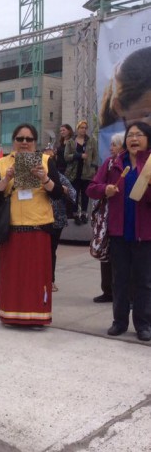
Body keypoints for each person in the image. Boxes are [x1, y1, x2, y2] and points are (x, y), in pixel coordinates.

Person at [0, 123, 63, 327]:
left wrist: (44, 178)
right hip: (12, 229)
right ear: (13, 141)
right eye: (20, 139)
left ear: (34, 142)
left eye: (28, 139)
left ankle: (38, 316)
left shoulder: (46, 161)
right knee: (13, 278)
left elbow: (57, 194)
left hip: (39, 227)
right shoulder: (2, 164)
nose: (24, 143)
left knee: (37, 278)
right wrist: (6, 178)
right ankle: (11, 315)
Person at [86, 122, 151, 342]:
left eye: (139, 134)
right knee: (120, 280)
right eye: (130, 135)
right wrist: (106, 189)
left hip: (146, 234)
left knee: (144, 281)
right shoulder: (113, 163)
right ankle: (119, 322)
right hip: (118, 233)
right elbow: (91, 188)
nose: (134, 138)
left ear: (147, 139)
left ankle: (143, 324)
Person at [92, 133, 125, 304]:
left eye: (115, 144)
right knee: (106, 255)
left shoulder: (139, 164)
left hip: (132, 220)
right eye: (111, 144)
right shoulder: (109, 164)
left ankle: (131, 296)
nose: (111, 147)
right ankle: (108, 291)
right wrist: (106, 189)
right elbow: (92, 188)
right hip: (109, 218)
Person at [43, 147, 76, 292]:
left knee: (50, 250)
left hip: (56, 220)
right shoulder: (35, 176)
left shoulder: (60, 177)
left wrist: (64, 190)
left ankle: (50, 280)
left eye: (51, 158)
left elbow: (73, 195)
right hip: (39, 219)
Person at [65, 120, 99, 225]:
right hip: (74, 173)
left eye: (85, 128)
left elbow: (95, 156)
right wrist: (78, 156)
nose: (83, 130)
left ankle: (84, 214)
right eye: (81, 128)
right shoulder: (71, 141)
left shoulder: (91, 141)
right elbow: (66, 157)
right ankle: (75, 215)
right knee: (74, 195)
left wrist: (93, 168)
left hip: (87, 173)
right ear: (77, 129)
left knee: (85, 195)